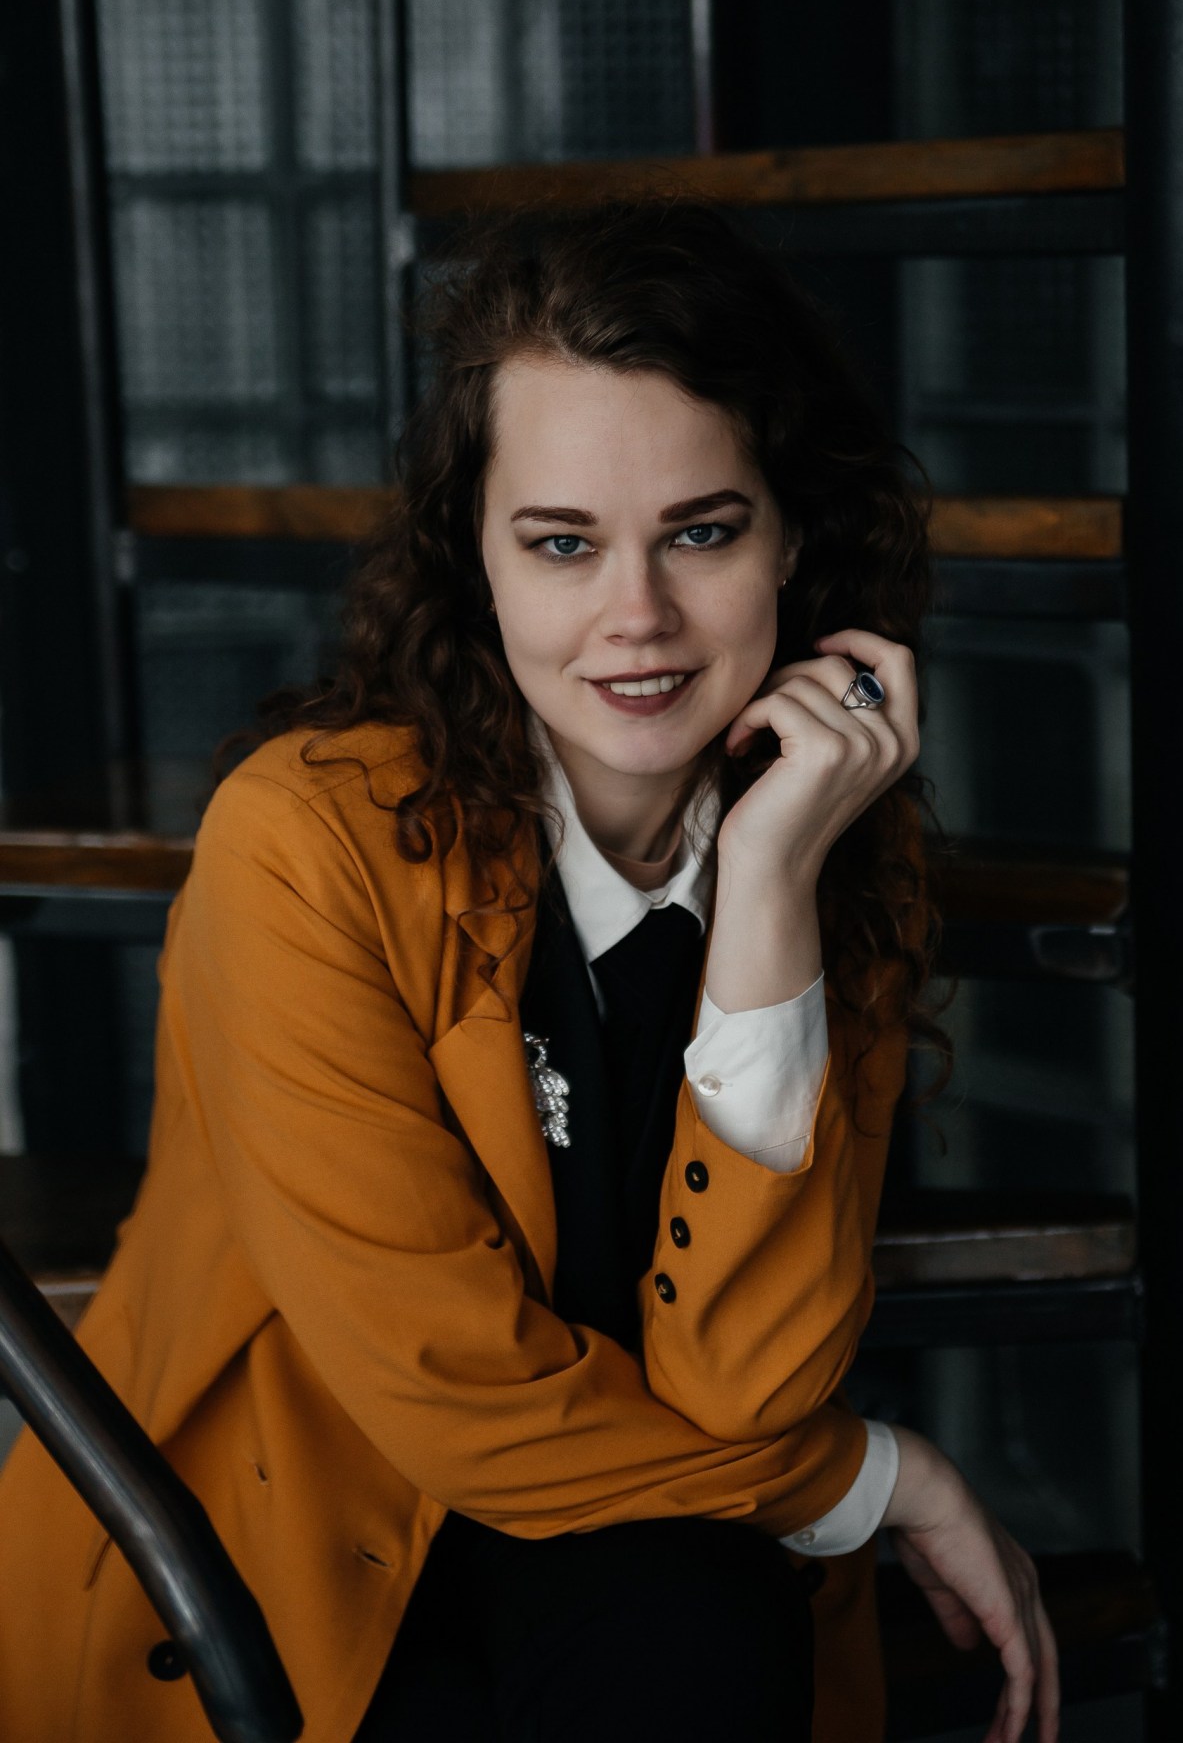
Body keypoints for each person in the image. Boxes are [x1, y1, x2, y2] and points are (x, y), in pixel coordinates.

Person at [0, 200, 1058, 1743]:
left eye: (703, 532)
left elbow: (748, 1389)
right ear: (475, 561)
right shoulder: (303, 843)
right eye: (563, 543)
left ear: (794, 539)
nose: (638, 617)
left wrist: (769, 888)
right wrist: (882, 1479)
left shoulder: (829, 850)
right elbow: (457, 1398)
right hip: (285, 1560)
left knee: (699, 1633)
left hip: (654, 1546)